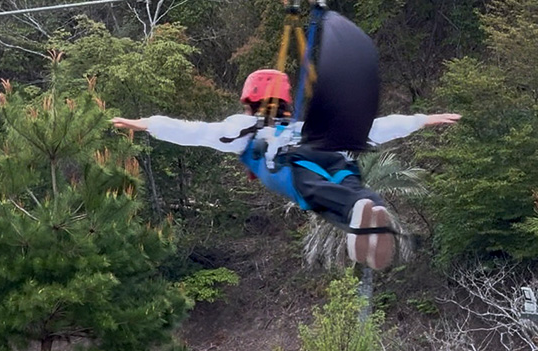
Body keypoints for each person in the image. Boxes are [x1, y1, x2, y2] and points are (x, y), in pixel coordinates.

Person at [112, 68, 459, 271]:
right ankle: (366, 212)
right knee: (348, 180)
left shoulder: (247, 128)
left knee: (316, 186)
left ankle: (362, 218)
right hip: (321, 156)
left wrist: (146, 124)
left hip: (297, 166)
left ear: (249, 103)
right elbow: (371, 128)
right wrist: (422, 120)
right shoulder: (285, 126)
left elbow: (194, 131)